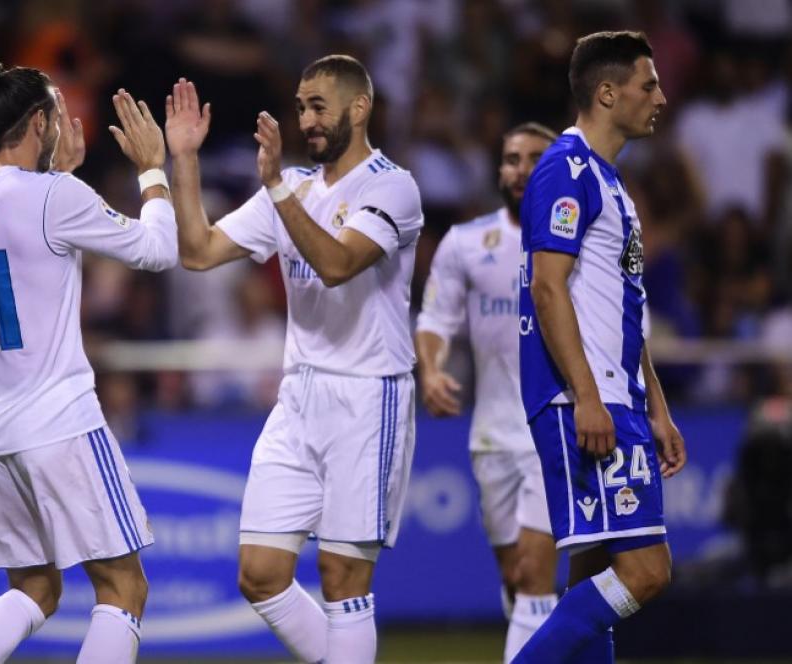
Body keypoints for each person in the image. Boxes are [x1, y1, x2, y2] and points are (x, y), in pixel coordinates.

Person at [164, 55, 423, 663]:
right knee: (259, 574)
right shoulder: (295, 186)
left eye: (318, 106)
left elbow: (337, 265)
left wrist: (277, 187)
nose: (306, 118)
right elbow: (198, 251)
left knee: (342, 579)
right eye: (301, 106)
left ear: (359, 109)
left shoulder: (392, 186)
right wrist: (184, 159)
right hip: (299, 394)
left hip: (368, 394)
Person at [0, 60, 178, 664]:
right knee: (124, 587)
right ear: (39, 121)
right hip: (58, 424)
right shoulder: (55, 197)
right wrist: (152, 169)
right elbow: (159, 249)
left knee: (36, 589)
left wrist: (59, 175)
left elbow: (19, 231)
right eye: (58, 114)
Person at [512, 31, 686, 663]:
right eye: (649, 84)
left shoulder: (610, 186)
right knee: (645, 572)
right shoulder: (565, 168)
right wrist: (588, 397)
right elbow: (548, 290)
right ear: (608, 93)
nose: (661, 97)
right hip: (586, 400)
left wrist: (656, 406)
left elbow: (622, 310)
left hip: (618, 396)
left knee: (591, 576)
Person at [415, 122, 558, 661]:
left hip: (553, 429)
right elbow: (434, 318)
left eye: (535, 158)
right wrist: (430, 369)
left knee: (535, 574)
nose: (521, 169)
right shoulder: (467, 243)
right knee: (515, 576)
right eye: (512, 159)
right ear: (499, 170)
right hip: (492, 435)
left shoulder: (581, 239)